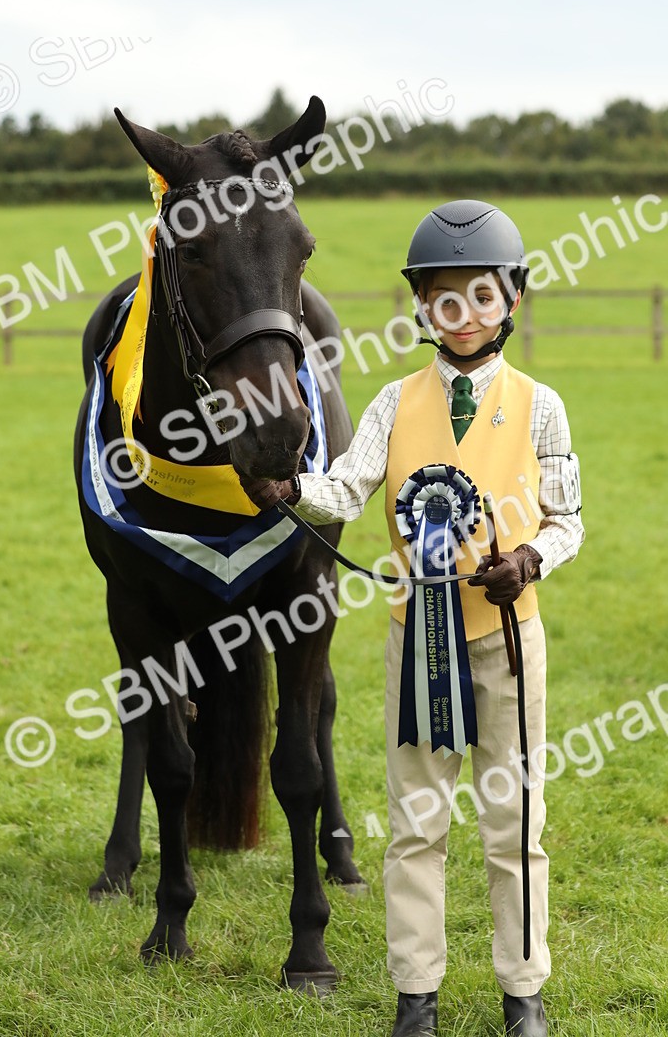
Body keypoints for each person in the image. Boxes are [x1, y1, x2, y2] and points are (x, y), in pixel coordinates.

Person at [243, 201, 584, 1036]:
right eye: (443, 298)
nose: (461, 315)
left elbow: (567, 520)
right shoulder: (394, 403)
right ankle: (416, 994)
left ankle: (523, 992)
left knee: (515, 823)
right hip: (416, 639)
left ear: (511, 298)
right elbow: (346, 488)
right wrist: (289, 490)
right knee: (415, 825)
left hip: (508, 642)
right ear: (422, 307)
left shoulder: (543, 405)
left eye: (480, 296)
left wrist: (530, 559)